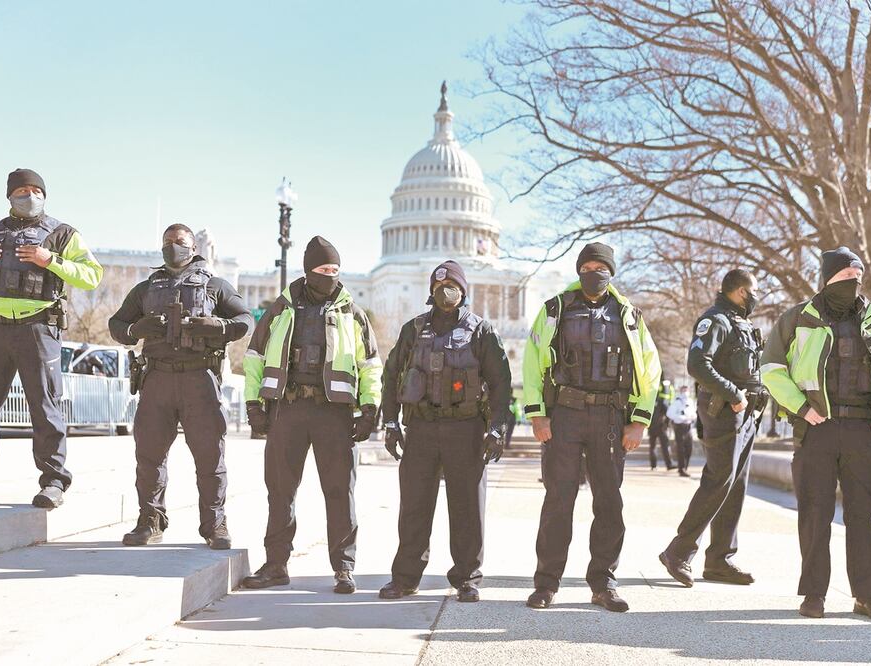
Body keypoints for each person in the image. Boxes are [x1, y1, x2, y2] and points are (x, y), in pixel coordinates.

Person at [761, 247, 871, 623]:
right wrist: (801, 407)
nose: (855, 282)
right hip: (815, 428)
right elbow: (770, 367)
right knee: (815, 513)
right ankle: (814, 595)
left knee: (865, 513)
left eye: (858, 276)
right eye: (847, 276)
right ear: (828, 278)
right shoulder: (798, 317)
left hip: (865, 429)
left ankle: (869, 596)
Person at [0, 169, 102, 508]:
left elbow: (91, 276)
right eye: (22, 190)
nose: (29, 196)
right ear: (10, 196)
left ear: (44, 195)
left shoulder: (61, 233)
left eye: (35, 190)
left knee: (45, 408)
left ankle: (53, 482)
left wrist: (50, 260)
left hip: (38, 329)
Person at [523, 242, 661, 611]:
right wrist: (538, 414)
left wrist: (639, 421)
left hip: (611, 419)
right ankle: (546, 584)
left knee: (609, 503)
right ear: (579, 269)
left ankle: (604, 583)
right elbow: (533, 363)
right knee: (558, 501)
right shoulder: (554, 309)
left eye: (601, 266)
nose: (594, 272)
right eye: (588, 265)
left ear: (611, 272)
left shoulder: (630, 314)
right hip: (564, 416)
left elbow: (650, 370)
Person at [242, 236, 382, 594]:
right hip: (288, 410)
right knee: (280, 491)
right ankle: (275, 565)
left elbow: (369, 366)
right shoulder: (282, 309)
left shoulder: (353, 313)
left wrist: (370, 408)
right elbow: (255, 357)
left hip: (334, 414)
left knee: (339, 492)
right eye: (324, 270)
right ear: (308, 271)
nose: (330, 276)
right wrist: (254, 404)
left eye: (335, 270)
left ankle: (344, 569)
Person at [108, 224, 254, 548]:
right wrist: (135, 329)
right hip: (157, 380)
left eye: (181, 242)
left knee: (210, 458)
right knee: (149, 457)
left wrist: (217, 326)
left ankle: (215, 525)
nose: (174, 246)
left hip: (199, 380)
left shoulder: (214, 286)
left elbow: (246, 320)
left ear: (193, 247)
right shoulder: (146, 288)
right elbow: (115, 325)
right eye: (168, 242)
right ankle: (150, 522)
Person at [378, 260, 511, 603]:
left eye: (451, 285)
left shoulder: (481, 331)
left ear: (463, 290)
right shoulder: (413, 329)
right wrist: (390, 422)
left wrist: (497, 428)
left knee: (467, 508)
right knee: (414, 508)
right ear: (431, 291)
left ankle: (467, 578)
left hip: (465, 429)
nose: (444, 291)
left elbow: (500, 384)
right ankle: (406, 577)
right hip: (421, 427)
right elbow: (391, 376)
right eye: (438, 286)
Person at [659, 269, 766, 588]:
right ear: (742, 291)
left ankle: (720, 559)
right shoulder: (716, 320)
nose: (757, 297)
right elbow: (697, 364)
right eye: (755, 291)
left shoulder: (739, 322)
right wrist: (733, 395)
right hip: (725, 411)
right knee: (719, 480)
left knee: (735, 484)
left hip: (746, 414)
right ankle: (678, 552)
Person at [666, 385, 697, 477]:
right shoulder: (677, 402)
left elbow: (694, 413)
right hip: (679, 427)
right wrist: (682, 418)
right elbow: (670, 414)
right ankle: (681, 469)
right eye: (683, 391)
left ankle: (685, 467)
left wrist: (691, 417)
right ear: (680, 392)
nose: (685, 393)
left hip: (688, 427)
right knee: (681, 449)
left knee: (689, 448)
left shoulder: (691, 401)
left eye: (687, 391)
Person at [648, 378, 674, 471]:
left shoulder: (652, 390)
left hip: (651, 424)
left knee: (653, 446)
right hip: (661, 424)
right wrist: (668, 421)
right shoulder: (665, 388)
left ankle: (653, 466)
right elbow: (665, 405)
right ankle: (669, 464)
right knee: (665, 445)